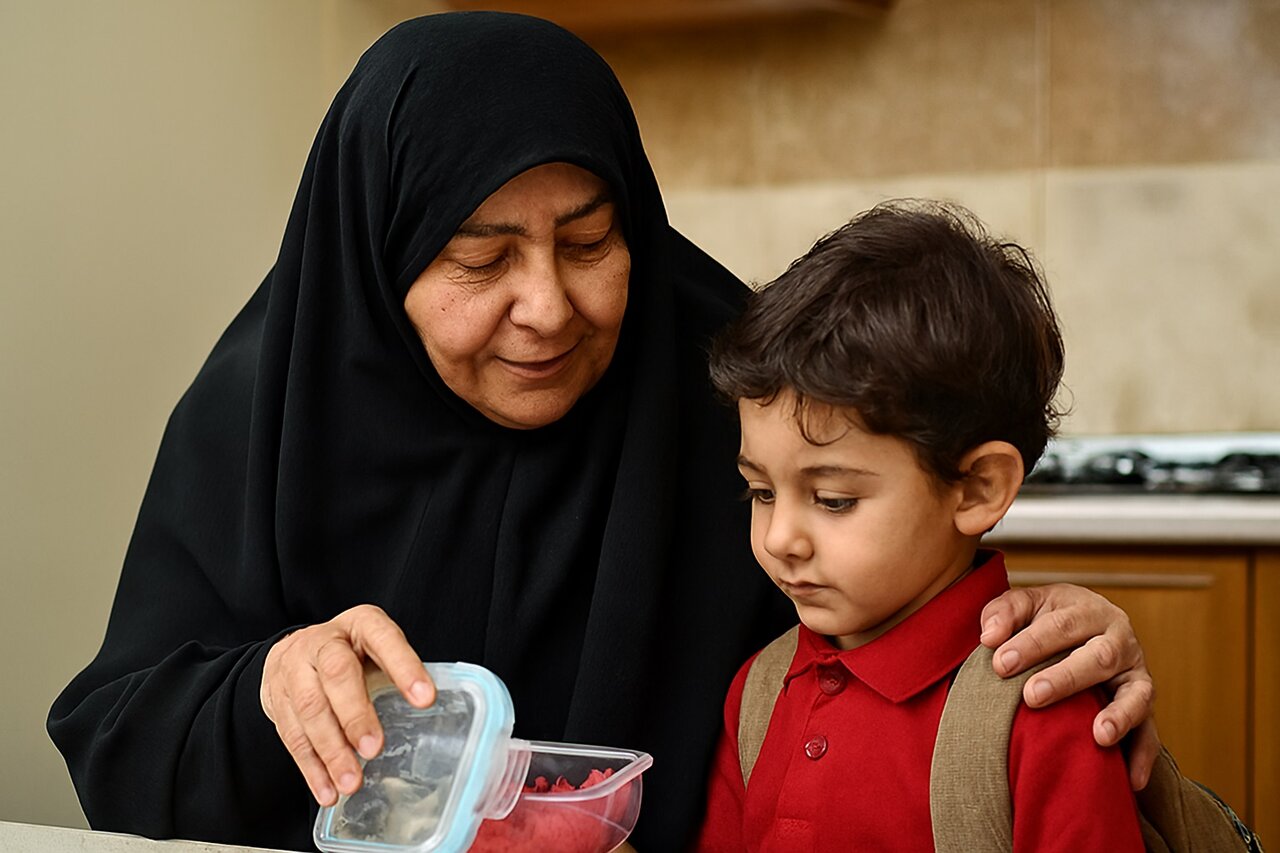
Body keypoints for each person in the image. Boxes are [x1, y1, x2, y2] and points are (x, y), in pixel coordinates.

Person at [48, 13, 1157, 852]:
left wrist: (1036, 636)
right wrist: (265, 686)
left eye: (588, 242)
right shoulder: (268, 410)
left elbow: (896, 607)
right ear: (378, 263)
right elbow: (114, 742)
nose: (547, 306)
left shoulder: (733, 389)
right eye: (480, 261)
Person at [693, 200, 1145, 850]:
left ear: (978, 487)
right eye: (761, 491)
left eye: (834, 499)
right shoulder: (759, 694)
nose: (779, 537)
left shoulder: (1043, 714)